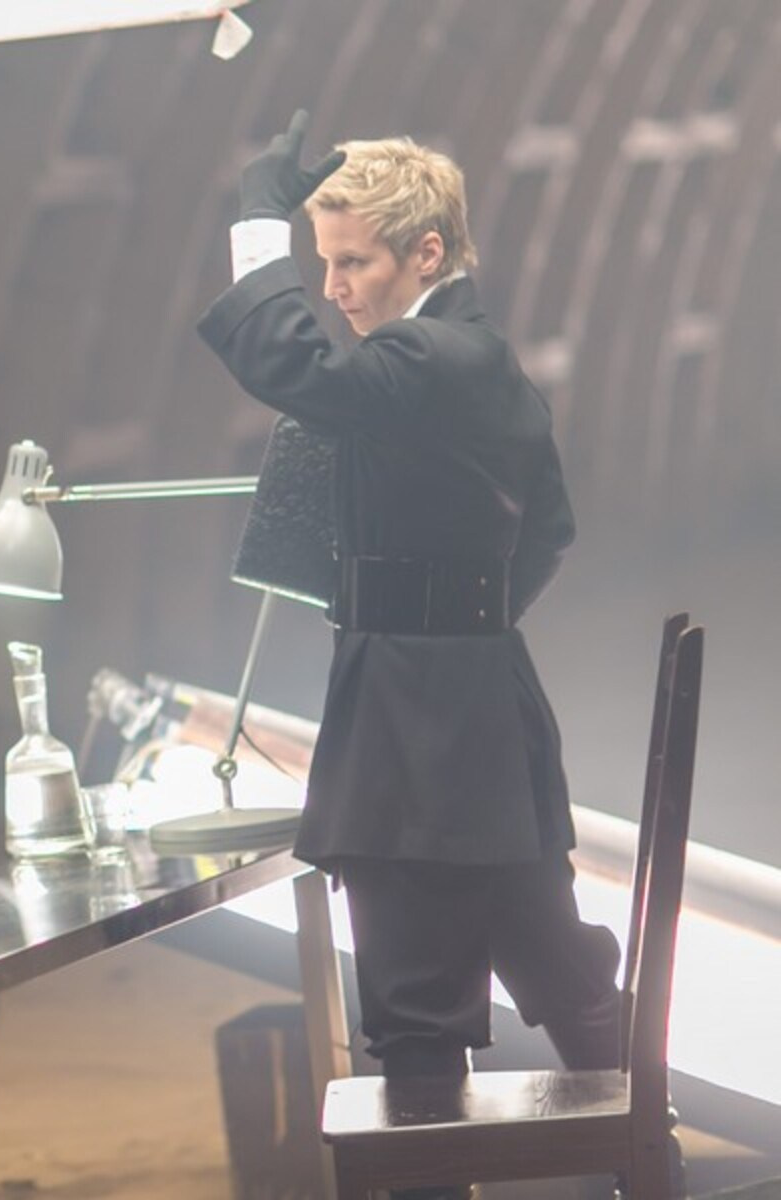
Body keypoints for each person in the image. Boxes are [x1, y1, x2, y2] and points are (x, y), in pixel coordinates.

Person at [197, 113, 625, 1199]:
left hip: (410, 732)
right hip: (486, 723)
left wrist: (257, 221)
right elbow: (552, 531)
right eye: (324, 262)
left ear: (425, 253)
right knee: (566, 980)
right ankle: (646, 1170)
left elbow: (289, 365)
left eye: (353, 262)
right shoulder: (481, 358)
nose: (333, 288)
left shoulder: (423, 357)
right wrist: (466, 626)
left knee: (414, 1020)